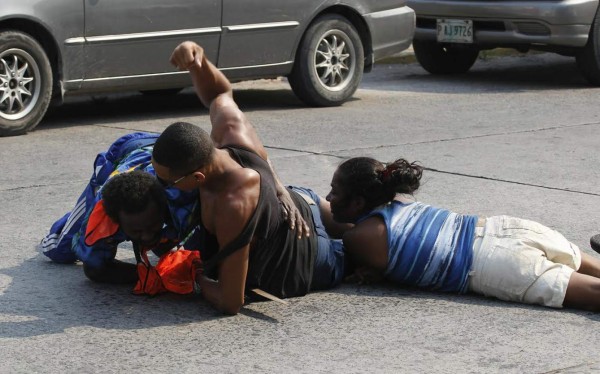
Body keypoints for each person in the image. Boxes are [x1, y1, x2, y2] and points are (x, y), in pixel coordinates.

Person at [151, 41, 349, 315]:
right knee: (352, 223)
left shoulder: (231, 206)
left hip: (315, 261)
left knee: (364, 244)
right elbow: (219, 93)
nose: (162, 186)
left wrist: (193, 275)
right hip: (304, 204)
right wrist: (198, 61)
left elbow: (231, 301)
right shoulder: (230, 130)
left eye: (166, 182)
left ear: (197, 177)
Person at [326, 156, 600, 311]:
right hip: (503, 228)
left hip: (492, 264)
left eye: (335, 192)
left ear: (359, 203)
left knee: (594, 293)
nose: (329, 197)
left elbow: (333, 226)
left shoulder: (359, 238)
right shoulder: (399, 202)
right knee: (590, 267)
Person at [40, 132, 200, 284]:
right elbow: (95, 270)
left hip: (159, 147)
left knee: (167, 241)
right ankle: (76, 219)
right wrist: (153, 275)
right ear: (116, 220)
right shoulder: (104, 213)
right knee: (61, 252)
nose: (146, 236)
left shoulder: (183, 194)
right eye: (137, 231)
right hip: (123, 153)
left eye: (152, 226)